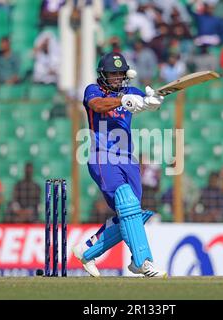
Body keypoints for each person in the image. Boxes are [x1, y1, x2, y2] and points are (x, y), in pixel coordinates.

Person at [72, 52, 167, 278]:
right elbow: (97, 105)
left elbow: (144, 99)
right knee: (126, 201)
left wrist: (151, 102)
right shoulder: (93, 91)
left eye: (120, 74)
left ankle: (87, 250)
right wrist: (122, 100)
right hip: (102, 156)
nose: (116, 78)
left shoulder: (131, 92)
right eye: (112, 74)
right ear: (103, 75)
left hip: (128, 159)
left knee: (131, 211)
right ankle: (143, 262)